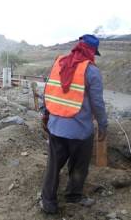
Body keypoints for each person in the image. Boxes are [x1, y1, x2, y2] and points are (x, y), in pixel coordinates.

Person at [40, 34, 108, 214]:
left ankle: (48, 202)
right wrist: (103, 126)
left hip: (56, 127)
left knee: (53, 166)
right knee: (79, 166)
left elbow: (48, 91)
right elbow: (98, 104)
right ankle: (73, 195)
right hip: (81, 131)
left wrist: (45, 114)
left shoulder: (59, 63)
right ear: (92, 51)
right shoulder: (92, 71)